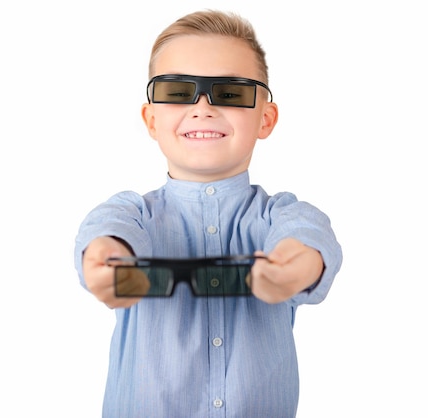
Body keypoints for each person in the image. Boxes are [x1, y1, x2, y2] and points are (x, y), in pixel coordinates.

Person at [74, 9, 343, 417]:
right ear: (151, 119)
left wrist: (298, 266)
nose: (202, 106)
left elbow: (309, 236)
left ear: (265, 119)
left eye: (230, 93)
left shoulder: (280, 216)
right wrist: (106, 259)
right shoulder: (133, 213)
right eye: (178, 91)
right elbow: (106, 231)